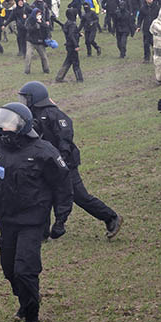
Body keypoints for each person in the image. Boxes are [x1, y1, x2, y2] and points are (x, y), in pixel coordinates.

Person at [0, 102, 72, 322]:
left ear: (23, 126)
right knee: (10, 270)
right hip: (6, 221)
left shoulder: (44, 151)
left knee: (25, 270)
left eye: (10, 122)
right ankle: (26, 299)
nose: (4, 127)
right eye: (2, 121)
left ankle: (32, 321)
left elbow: (62, 184)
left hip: (33, 221)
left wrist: (61, 218)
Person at [19, 82, 121, 239]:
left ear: (35, 98)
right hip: (47, 162)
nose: (23, 102)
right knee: (42, 196)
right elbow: (18, 126)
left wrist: (64, 155)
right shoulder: (32, 114)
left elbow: (65, 132)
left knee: (79, 196)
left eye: (25, 98)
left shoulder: (53, 113)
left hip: (65, 163)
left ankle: (111, 217)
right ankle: (42, 232)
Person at [54, 8, 83, 83]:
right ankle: (79, 79)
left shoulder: (67, 23)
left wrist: (78, 34)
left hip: (68, 45)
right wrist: (76, 45)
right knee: (76, 63)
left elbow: (68, 32)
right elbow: (71, 35)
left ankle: (59, 77)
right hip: (72, 46)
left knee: (68, 62)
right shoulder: (72, 24)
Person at [24, 8, 50, 75]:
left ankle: (46, 70)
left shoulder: (42, 21)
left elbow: (46, 29)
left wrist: (41, 23)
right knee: (28, 56)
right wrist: (35, 25)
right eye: (38, 14)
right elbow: (28, 29)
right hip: (31, 41)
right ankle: (27, 71)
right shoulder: (30, 20)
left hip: (40, 42)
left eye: (40, 14)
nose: (39, 15)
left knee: (44, 56)